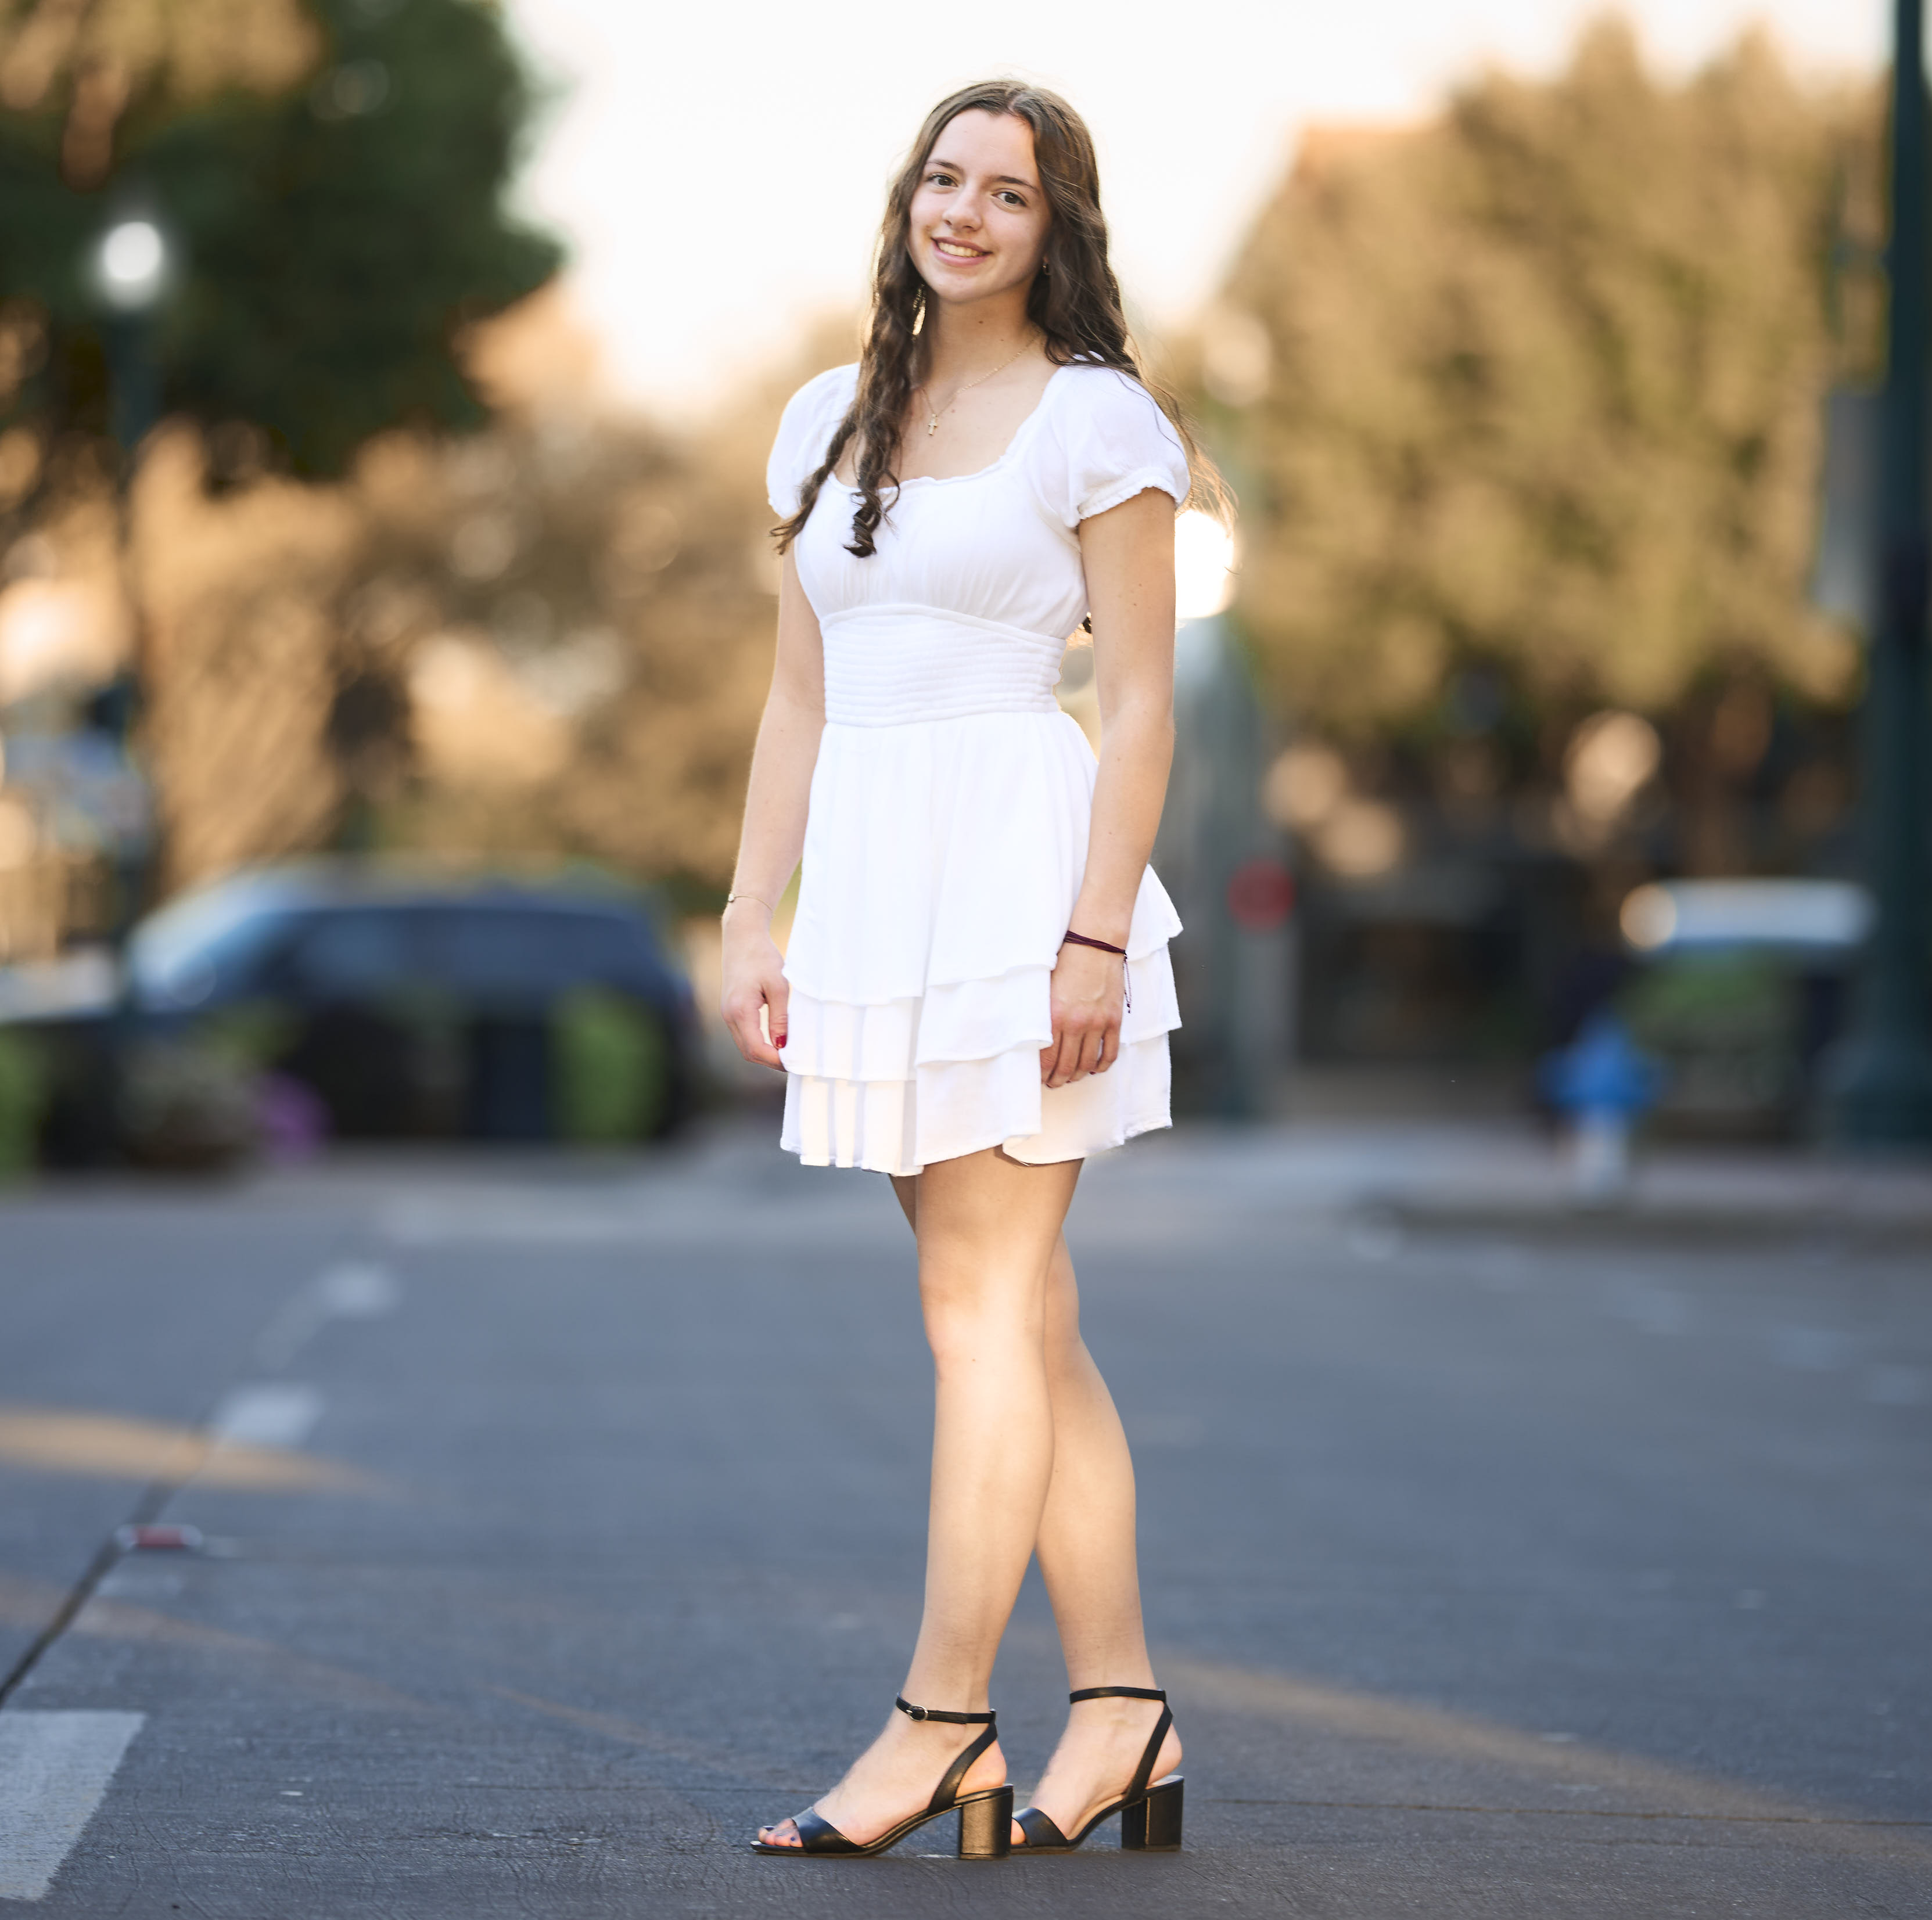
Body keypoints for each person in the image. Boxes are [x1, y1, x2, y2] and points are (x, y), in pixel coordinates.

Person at [723, 79, 1193, 1862]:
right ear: (907, 198)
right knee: (1026, 1318)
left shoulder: (1098, 420)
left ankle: (940, 1719)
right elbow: (797, 696)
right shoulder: (823, 417)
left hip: (1019, 883)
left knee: (978, 1310)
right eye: (946, 176)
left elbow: (1137, 703)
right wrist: (749, 915)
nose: (967, 212)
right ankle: (1124, 1710)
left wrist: (1095, 931)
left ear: (1056, 227)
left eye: (1010, 191)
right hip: (877, 894)